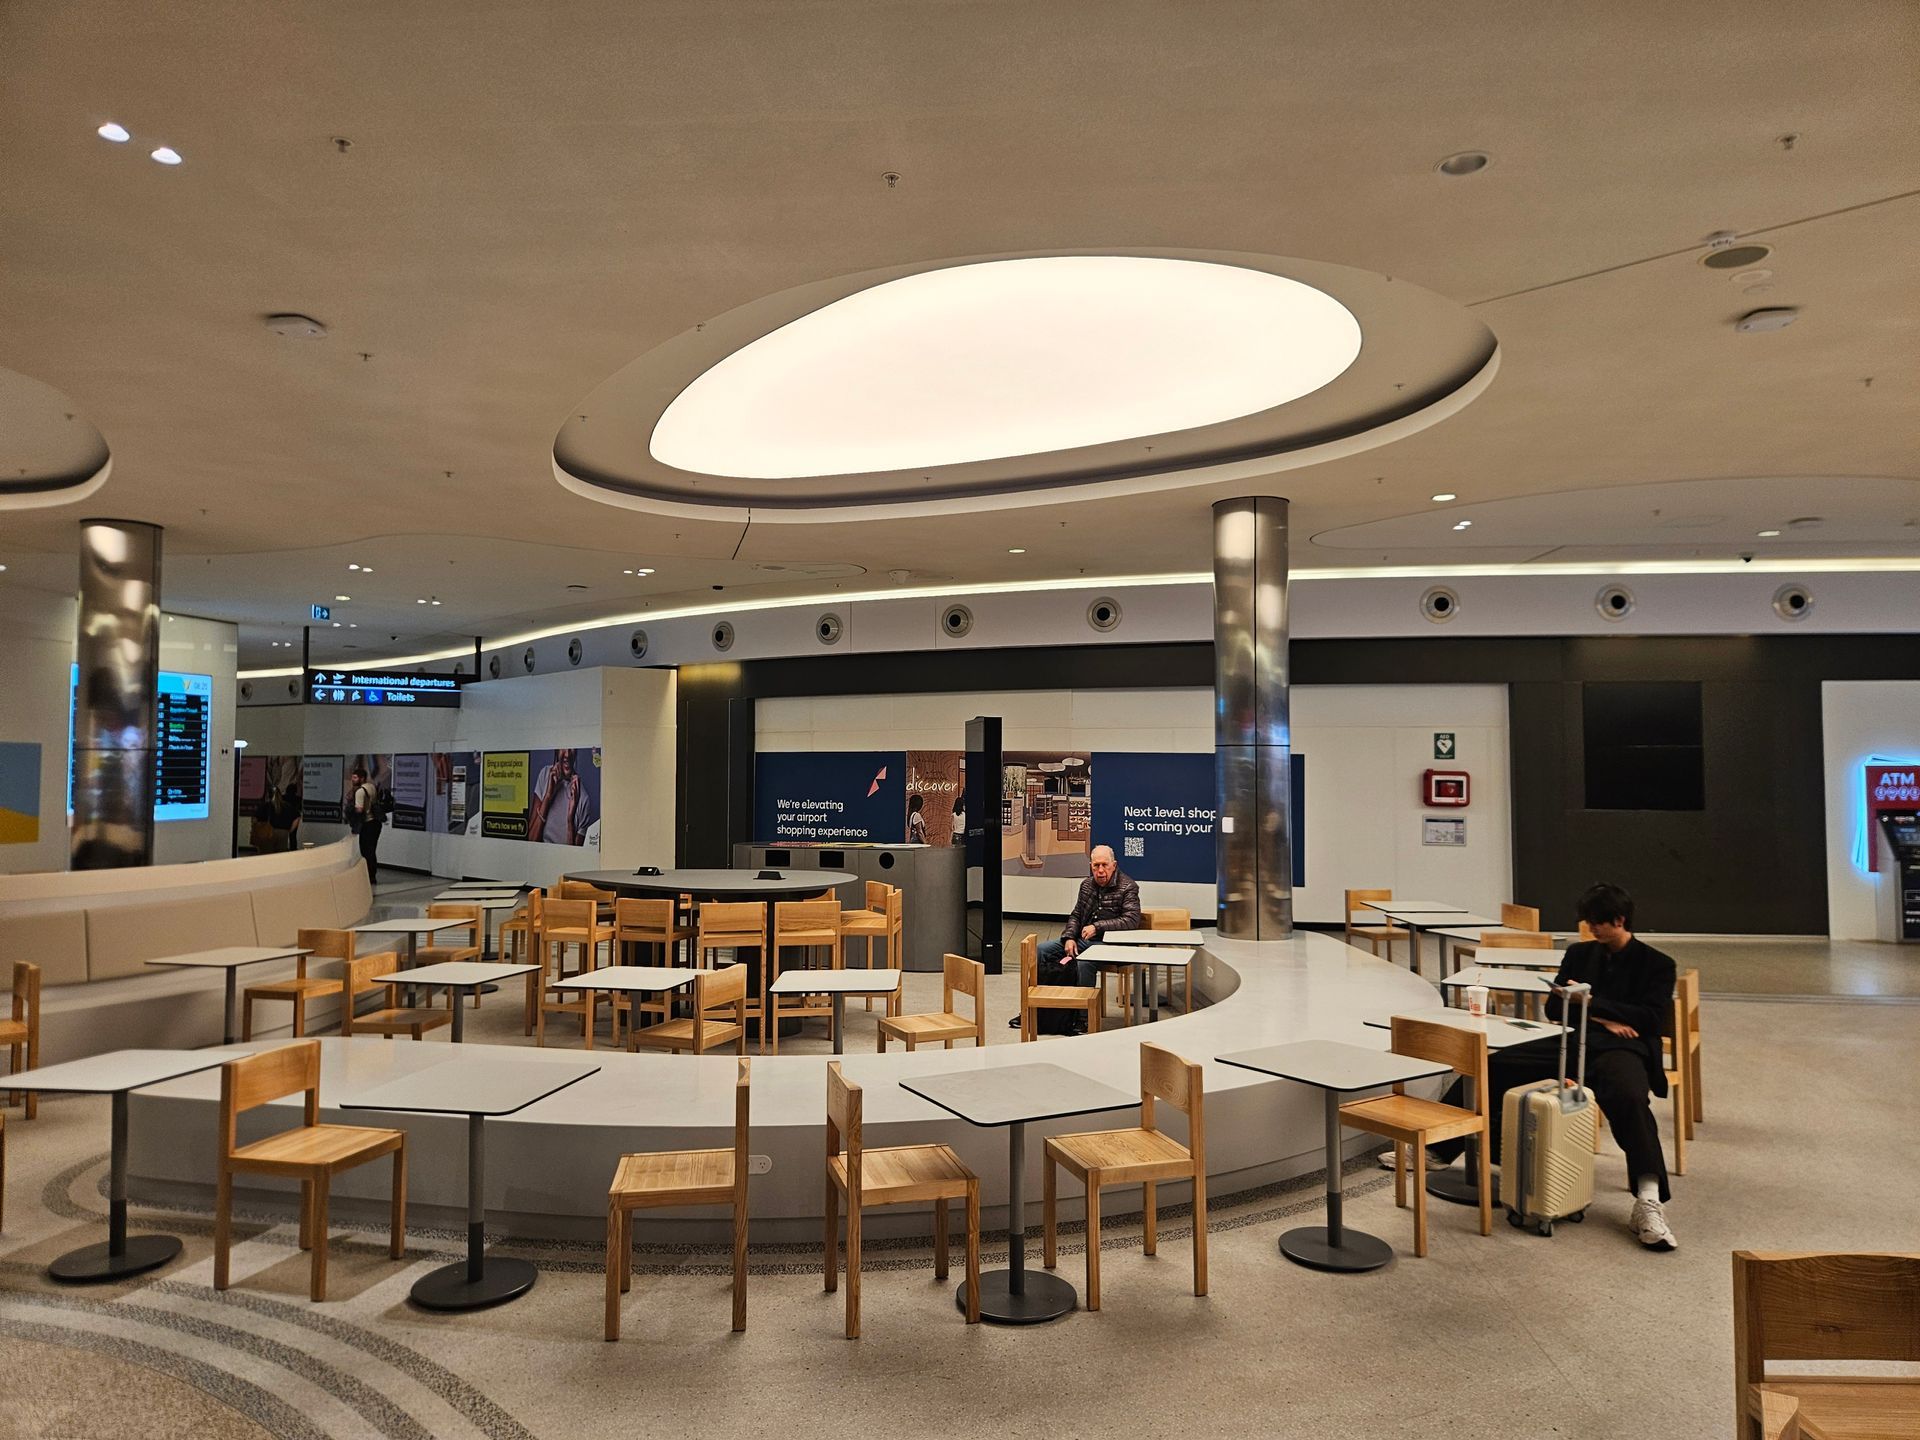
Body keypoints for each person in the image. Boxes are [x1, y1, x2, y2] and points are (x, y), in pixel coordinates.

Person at [1424, 882, 1679, 1251]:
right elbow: (1555, 1009)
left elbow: (1651, 1020)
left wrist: (1590, 1002)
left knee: (1630, 1098)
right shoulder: (1579, 954)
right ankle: (1439, 1149)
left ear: (1619, 920)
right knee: (1495, 1065)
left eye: (1597, 923)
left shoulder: (1657, 964)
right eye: (1589, 922)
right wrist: (1603, 1017)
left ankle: (1648, 1199)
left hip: (1622, 1050)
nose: (1591, 929)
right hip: (1572, 1038)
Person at [1015, 845, 1141, 1035]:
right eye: (1096, 866)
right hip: (1082, 940)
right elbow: (1076, 915)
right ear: (1090, 866)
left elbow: (1131, 920)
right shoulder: (1087, 885)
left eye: (1104, 865)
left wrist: (1098, 927)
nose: (1100, 870)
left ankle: (1083, 1018)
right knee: (1041, 950)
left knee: (1085, 962)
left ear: (1114, 865)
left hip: (1109, 944)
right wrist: (1068, 938)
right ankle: (1035, 1009)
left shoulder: (1128, 887)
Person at [526, 748, 593, 845]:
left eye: (572, 747)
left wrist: (570, 819)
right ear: (556, 750)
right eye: (564, 747)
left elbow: (574, 857)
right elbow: (530, 841)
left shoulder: (583, 798)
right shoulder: (545, 775)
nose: (567, 754)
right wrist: (547, 797)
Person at [347, 765, 382, 882]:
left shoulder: (360, 792)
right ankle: (372, 874)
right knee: (372, 850)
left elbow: (359, 810)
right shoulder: (372, 787)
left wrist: (351, 811)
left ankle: (367, 875)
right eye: (352, 777)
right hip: (376, 823)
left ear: (362, 778)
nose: (353, 780)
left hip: (367, 824)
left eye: (355, 778)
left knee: (365, 850)